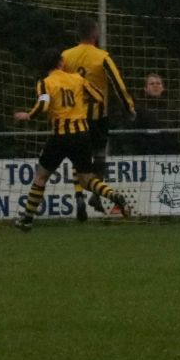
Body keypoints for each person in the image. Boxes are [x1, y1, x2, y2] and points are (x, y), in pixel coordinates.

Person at [12, 49, 131, 231]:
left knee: (41, 176)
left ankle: (27, 219)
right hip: (82, 135)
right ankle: (114, 196)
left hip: (60, 137)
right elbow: (99, 97)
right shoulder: (77, 79)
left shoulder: (45, 83)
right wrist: (80, 102)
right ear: (61, 63)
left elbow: (43, 105)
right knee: (86, 179)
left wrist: (28, 115)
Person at [61, 18, 135, 221]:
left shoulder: (65, 56)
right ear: (95, 34)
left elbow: (57, 82)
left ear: (78, 34)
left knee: (78, 157)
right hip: (97, 117)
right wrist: (129, 107)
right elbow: (118, 84)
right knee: (99, 154)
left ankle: (79, 196)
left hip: (73, 116)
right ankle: (95, 195)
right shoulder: (102, 57)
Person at [132, 72, 180, 154]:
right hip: (144, 151)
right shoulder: (138, 107)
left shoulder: (172, 106)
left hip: (169, 151)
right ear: (145, 88)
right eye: (152, 84)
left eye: (158, 83)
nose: (155, 85)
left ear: (163, 88)